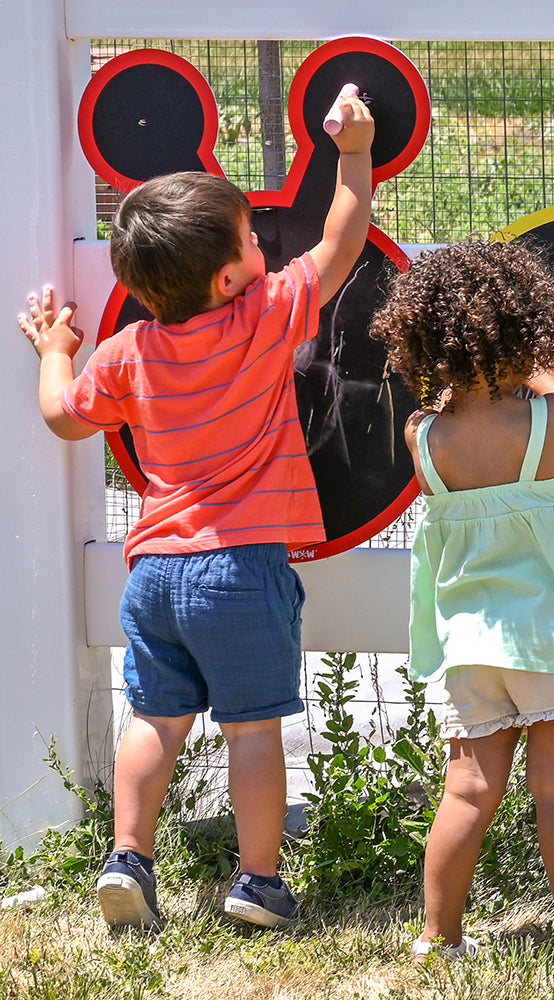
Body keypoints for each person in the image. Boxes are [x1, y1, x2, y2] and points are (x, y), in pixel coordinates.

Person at [17, 89, 374, 930]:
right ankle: (257, 882)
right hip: (241, 568)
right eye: (253, 241)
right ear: (228, 275)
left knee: (156, 719)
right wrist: (352, 152)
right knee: (252, 731)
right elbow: (341, 239)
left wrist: (56, 350)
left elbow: (63, 415)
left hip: (155, 572)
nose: (264, 247)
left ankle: (129, 860)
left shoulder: (128, 352)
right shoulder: (262, 318)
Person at [369, 239, 554, 960]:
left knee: (465, 790)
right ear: (527, 332)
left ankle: (440, 937)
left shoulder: (423, 436)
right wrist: (547, 377)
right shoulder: (546, 423)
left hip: (470, 647)